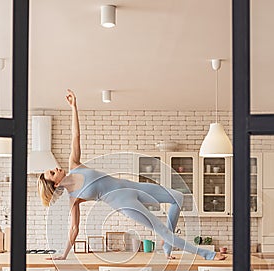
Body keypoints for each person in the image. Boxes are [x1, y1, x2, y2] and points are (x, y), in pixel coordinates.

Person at [38, 89, 225, 261]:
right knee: (160, 229)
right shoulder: (74, 199)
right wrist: (63, 255)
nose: (56, 169)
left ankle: (167, 244)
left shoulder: (74, 165)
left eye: (53, 169)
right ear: (55, 185)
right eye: (53, 173)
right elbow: (74, 228)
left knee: (178, 196)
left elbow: (75, 136)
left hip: (131, 186)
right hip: (124, 203)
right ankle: (208, 254)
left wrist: (74, 108)